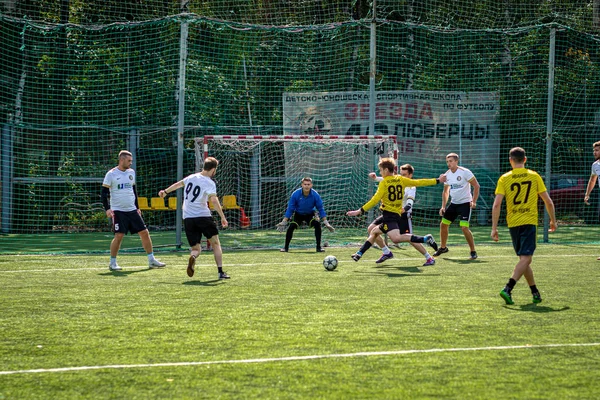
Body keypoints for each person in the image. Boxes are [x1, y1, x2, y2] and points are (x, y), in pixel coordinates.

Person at [491, 147, 557, 305]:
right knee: (526, 258)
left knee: (524, 259)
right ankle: (508, 288)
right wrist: (553, 220)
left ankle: (535, 292)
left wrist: (494, 227)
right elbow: (548, 201)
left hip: (513, 223)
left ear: (510, 160)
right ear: (525, 159)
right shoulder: (534, 176)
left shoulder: (504, 178)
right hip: (529, 221)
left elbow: (496, 204)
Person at [347, 157, 446, 262]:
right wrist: (437, 180)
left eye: (380, 170)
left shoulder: (384, 183)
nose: (380, 172)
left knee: (396, 239)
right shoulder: (400, 179)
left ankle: (425, 239)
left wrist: (359, 211)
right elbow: (419, 182)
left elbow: (375, 199)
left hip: (391, 215)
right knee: (374, 231)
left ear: (385, 170)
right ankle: (360, 253)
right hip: (394, 214)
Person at [158, 157, 230, 280]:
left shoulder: (191, 177)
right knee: (215, 243)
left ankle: (193, 257)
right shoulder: (209, 182)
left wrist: (165, 191)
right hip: (203, 216)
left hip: (188, 217)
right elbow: (213, 200)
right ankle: (220, 272)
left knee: (196, 248)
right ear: (213, 169)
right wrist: (222, 217)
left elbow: (178, 184)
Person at [101, 150, 166, 271]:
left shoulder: (131, 172)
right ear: (121, 160)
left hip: (132, 210)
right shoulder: (111, 174)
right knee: (119, 236)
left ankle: (151, 260)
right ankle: (112, 262)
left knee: (144, 233)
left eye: (131, 161)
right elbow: (103, 194)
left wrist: (137, 207)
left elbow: (134, 190)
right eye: (129, 161)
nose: (131, 163)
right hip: (118, 211)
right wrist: (107, 209)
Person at [367, 164, 436, 266]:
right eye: (401, 173)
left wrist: (405, 209)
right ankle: (386, 252)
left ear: (410, 175)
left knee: (409, 239)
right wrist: (376, 178)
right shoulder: (397, 180)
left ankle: (429, 258)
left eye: (405, 174)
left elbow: (410, 202)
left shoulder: (411, 186)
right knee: (371, 229)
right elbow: (386, 180)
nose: (402, 176)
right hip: (391, 214)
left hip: (403, 215)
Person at [434, 153, 480, 260]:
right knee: (443, 225)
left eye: (450, 161)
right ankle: (443, 247)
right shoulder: (447, 175)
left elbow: (476, 186)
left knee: (464, 227)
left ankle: (473, 251)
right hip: (454, 204)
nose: (448, 163)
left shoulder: (465, 172)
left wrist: (473, 201)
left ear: (456, 161)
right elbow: (445, 192)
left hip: (465, 204)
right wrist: (443, 206)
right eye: (447, 161)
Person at [277, 177, 335, 253]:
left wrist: (326, 223)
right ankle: (285, 248)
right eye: (305, 184)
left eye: (308, 184)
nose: (306, 186)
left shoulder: (315, 195)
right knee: (291, 227)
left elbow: (320, 209)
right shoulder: (295, 194)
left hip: (310, 214)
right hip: (298, 214)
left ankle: (318, 247)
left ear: (311, 185)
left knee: (317, 224)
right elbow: (290, 208)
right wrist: (284, 221)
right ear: (302, 185)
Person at [584, 141, 600, 260]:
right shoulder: (595, 165)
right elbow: (592, 180)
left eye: (597, 150)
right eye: (594, 150)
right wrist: (587, 194)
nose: (594, 152)